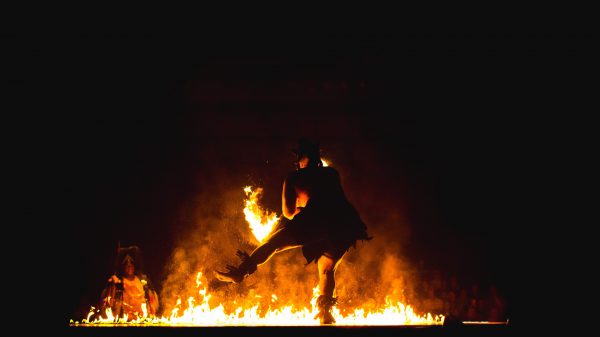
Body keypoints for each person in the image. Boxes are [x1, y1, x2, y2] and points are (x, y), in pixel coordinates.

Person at [215, 138, 371, 324]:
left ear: (303, 158)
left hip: (317, 221)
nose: (296, 162)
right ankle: (325, 314)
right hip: (344, 225)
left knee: (273, 244)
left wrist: (300, 210)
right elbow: (337, 200)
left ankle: (241, 272)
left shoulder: (294, 177)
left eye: (298, 158)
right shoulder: (331, 173)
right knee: (327, 270)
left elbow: (288, 213)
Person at [98, 245, 159, 321]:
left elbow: (152, 301)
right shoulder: (117, 283)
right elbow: (108, 303)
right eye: (126, 263)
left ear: (134, 265)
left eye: (131, 263)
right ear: (122, 266)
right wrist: (113, 285)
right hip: (123, 321)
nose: (129, 265)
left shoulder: (142, 281)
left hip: (142, 321)